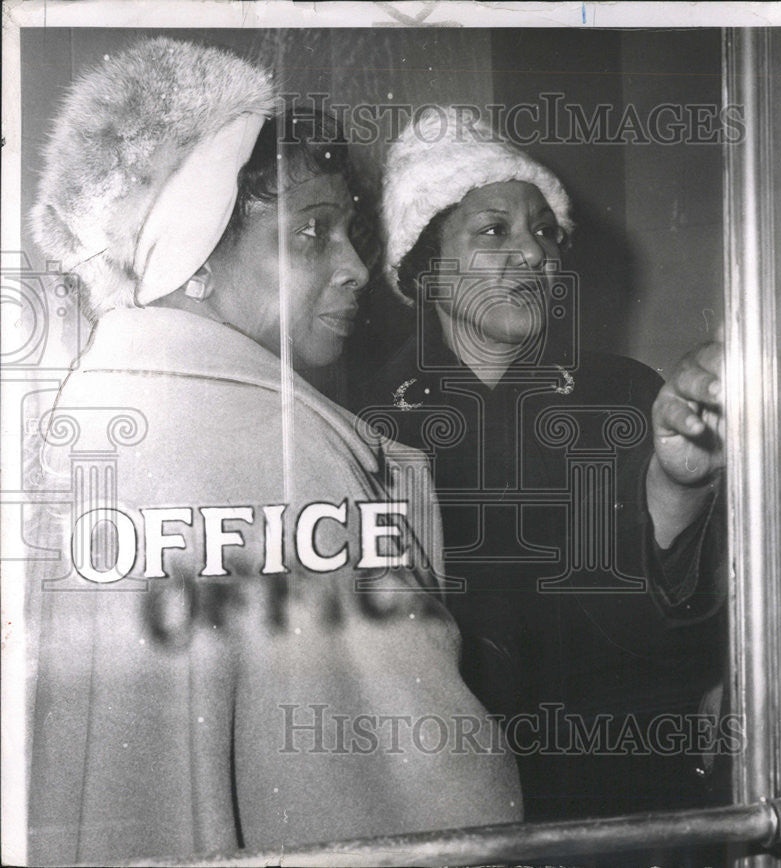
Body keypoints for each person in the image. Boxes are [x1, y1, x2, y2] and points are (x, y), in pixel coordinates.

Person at [26, 40, 519, 864]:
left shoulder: (82, 425)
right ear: (195, 260)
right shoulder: (290, 458)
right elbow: (432, 797)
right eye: (312, 233)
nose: (357, 267)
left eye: (350, 233)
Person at [346, 106, 728, 824]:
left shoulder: (627, 396)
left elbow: (676, 612)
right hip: (441, 795)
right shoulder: (361, 424)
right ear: (425, 266)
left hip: (627, 798)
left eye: (546, 232)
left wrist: (678, 488)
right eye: (495, 230)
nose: (534, 254)